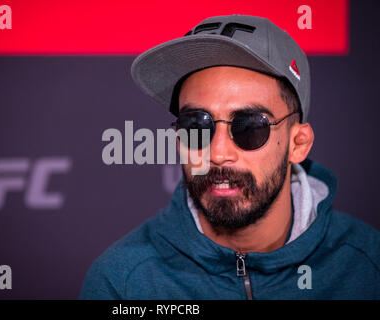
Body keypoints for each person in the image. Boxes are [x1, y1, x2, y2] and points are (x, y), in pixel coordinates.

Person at [79, 15, 380, 299]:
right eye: (196, 126)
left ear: (298, 143)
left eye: (250, 127)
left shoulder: (368, 268)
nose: (218, 153)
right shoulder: (123, 282)